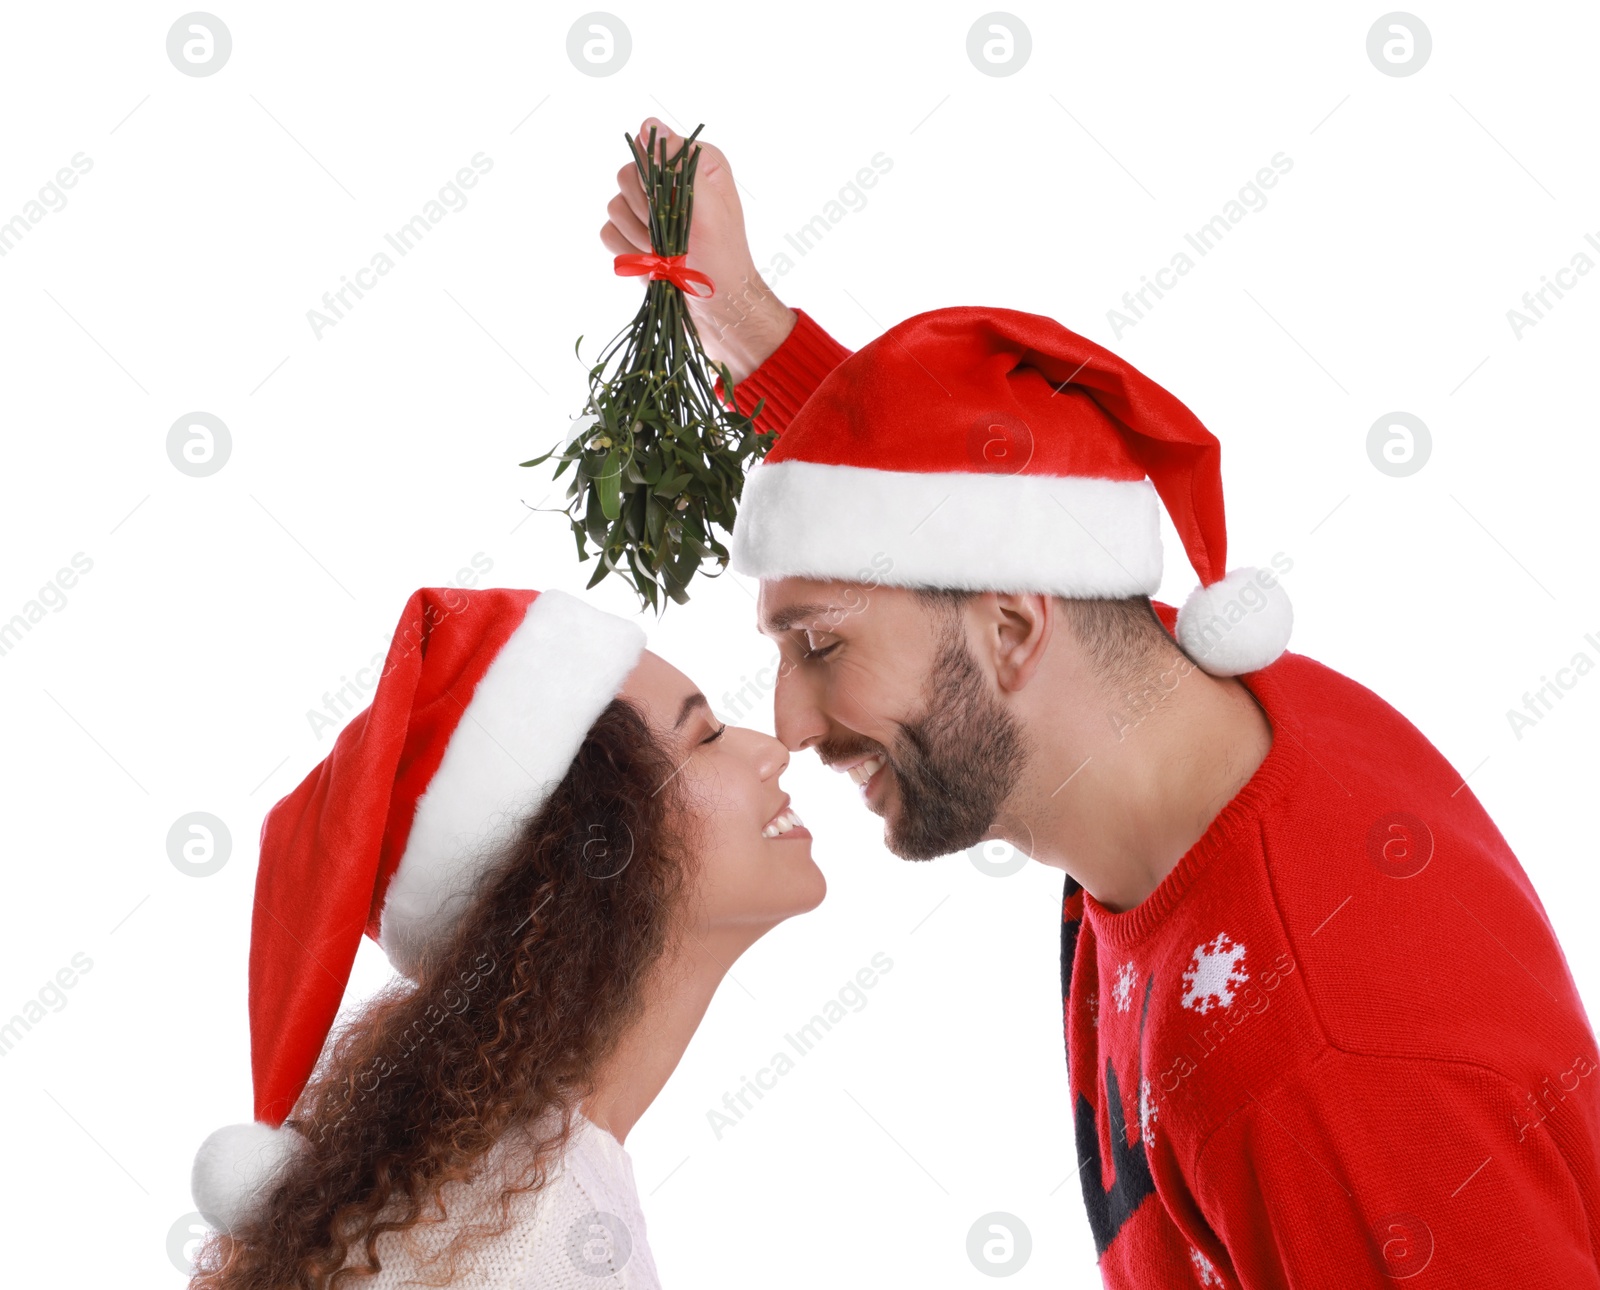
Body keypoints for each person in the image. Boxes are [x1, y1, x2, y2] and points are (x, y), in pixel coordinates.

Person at [602, 121, 1600, 1287]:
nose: (793, 721)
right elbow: (962, 506)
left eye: (818, 646)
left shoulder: (1318, 1068)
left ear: (1018, 629)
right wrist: (748, 327)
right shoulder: (1172, 695)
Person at [187, 585, 822, 1289]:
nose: (773, 749)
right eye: (705, 737)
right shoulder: (543, 1238)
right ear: (597, 851)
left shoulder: (518, 1192)